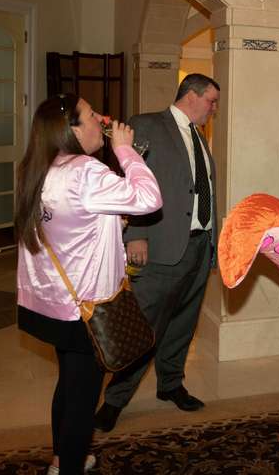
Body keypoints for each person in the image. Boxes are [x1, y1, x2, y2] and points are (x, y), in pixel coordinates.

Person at [15, 94, 162, 475]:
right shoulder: (86, 172)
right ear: (72, 129)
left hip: (50, 302)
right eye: (93, 115)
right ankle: (69, 466)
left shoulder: (39, 167)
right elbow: (149, 199)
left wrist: (112, 223)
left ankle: (61, 459)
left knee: (69, 383)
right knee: (82, 400)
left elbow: (69, 225)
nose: (103, 119)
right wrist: (126, 151)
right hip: (85, 309)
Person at [95, 73, 220, 432]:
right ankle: (115, 399)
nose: (214, 109)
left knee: (183, 323)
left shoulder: (198, 135)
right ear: (192, 95)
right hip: (161, 245)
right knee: (146, 327)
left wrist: (213, 240)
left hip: (198, 244)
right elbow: (129, 179)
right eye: (211, 101)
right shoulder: (148, 124)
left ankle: (171, 384)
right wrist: (136, 234)